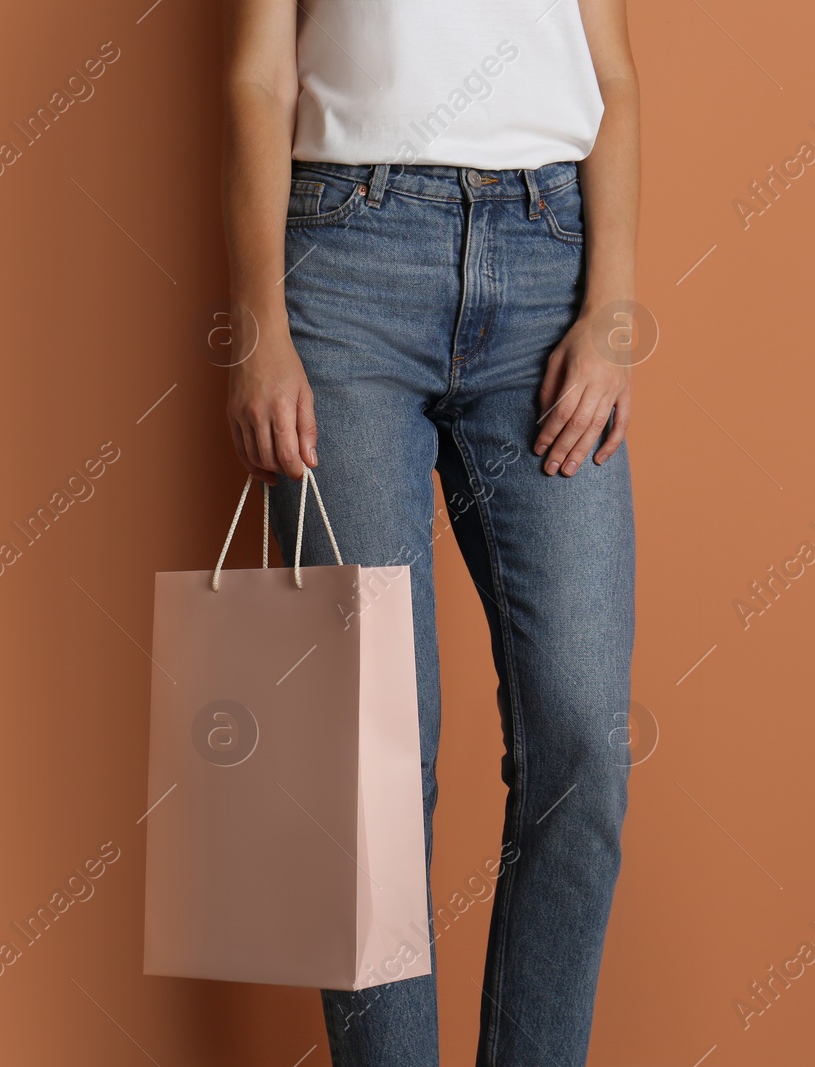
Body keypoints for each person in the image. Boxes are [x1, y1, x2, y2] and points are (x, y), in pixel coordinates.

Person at [221, 2, 640, 1064]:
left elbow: (615, 78)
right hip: (346, 268)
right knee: (366, 761)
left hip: (548, 264)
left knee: (582, 736)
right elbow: (258, 74)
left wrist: (613, 312)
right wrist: (260, 328)